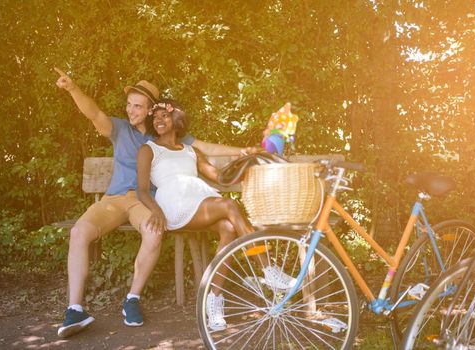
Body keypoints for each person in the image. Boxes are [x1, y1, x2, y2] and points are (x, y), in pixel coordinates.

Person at [54, 68, 255, 338]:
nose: (131, 110)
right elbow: (94, 113)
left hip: (143, 201)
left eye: (138, 106)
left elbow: (205, 148)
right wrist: (72, 89)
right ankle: (75, 309)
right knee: (78, 232)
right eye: (129, 104)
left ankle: (132, 299)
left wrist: (242, 152)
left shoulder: (161, 134)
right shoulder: (120, 128)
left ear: (151, 110)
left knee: (153, 231)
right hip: (114, 199)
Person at [137, 99, 295, 331]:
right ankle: (268, 269)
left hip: (198, 198)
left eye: (164, 116)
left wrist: (247, 160)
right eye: (155, 117)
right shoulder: (148, 149)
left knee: (229, 228)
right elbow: (141, 190)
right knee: (230, 205)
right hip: (173, 202)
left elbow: (219, 178)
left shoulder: (192, 151)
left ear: (176, 119)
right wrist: (157, 211)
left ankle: (214, 302)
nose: (158, 120)